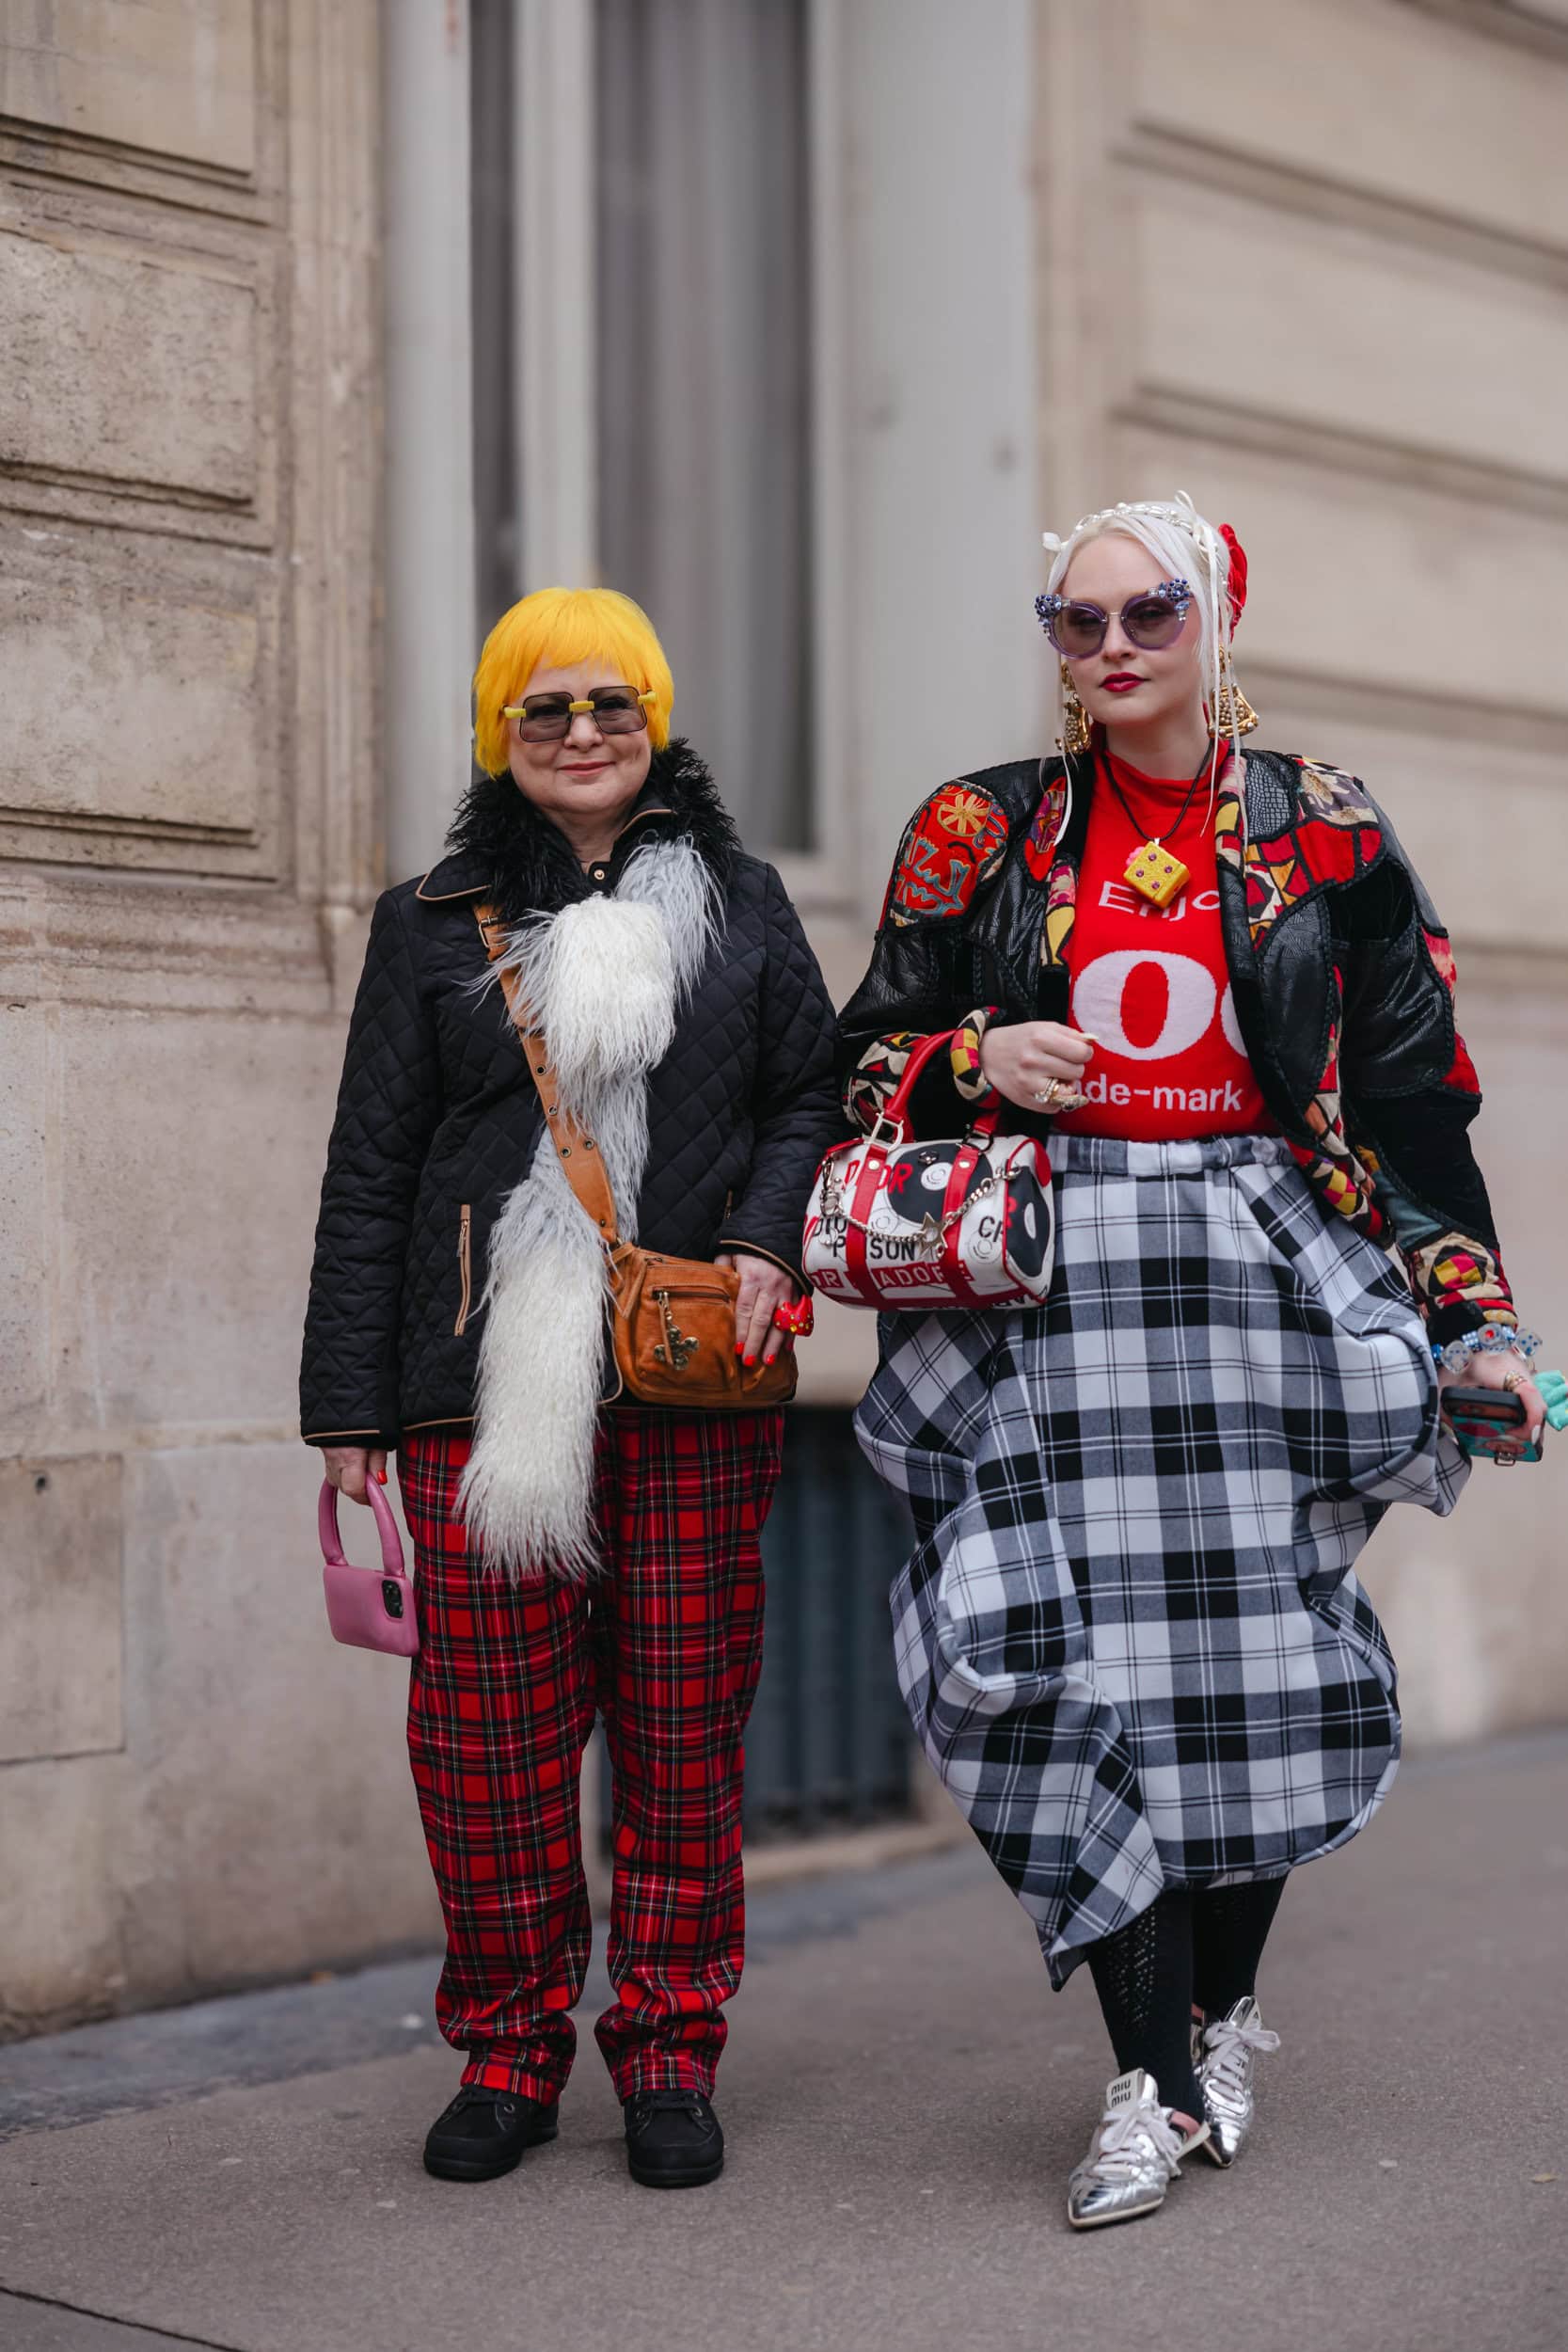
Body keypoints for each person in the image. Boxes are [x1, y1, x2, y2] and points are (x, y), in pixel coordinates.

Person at [837, 493, 1544, 2230]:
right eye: (1074, 622)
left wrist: (1476, 1317)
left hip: (1263, 1282)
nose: (1112, 651)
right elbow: (856, 1070)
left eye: (1146, 613)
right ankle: (1152, 2083)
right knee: (1030, 1660)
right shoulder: (976, 830)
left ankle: (1203, 2039)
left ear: (1213, 622)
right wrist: (974, 1054)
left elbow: (1415, 1102)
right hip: (1047, 1287)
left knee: (1251, 1679)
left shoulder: (1328, 833)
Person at [300, 586, 839, 2189]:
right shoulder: (431, 914)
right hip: (479, 1389)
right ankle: (511, 2047)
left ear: (654, 720)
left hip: (690, 1376)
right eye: (546, 710)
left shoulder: (740, 906)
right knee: (484, 1746)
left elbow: (810, 1089)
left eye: (611, 705)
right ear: (501, 733)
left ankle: (670, 2051)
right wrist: (347, 1407)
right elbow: (370, 1168)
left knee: (682, 1732)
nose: (583, 733)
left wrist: (762, 1237)